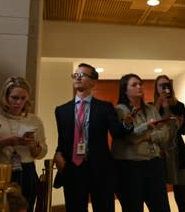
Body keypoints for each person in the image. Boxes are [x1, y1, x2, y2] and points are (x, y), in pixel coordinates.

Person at [53, 63, 133, 212]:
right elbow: (63, 141)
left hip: (101, 169)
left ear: (93, 82)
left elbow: (116, 132)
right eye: (75, 75)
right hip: (73, 170)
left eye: (82, 75)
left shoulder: (105, 107)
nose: (77, 77)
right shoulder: (61, 110)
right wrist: (58, 157)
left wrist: (127, 124)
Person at [111, 73, 170, 212]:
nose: (139, 86)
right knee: (133, 208)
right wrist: (148, 127)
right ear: (125, 90)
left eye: (140, 83)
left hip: (154, 164)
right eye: (134, 84)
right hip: (129, 167)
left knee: (162, 208)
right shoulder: (119, 110)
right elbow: (130, 137)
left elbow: (165, 133)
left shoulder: (151, 109)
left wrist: (147, 137)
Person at [0, 76, 48, 212]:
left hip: (26, 171)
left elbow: (41, 152)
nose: (19, 102)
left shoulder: (34, 120)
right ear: (5, 97)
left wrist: (34, 146)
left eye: (23, 98)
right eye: (15, 97)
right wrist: (8, 142)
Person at [154, 75, 185, 212]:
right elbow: (151, 123)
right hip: (159, 152)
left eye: (167, 84)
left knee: (181, 196)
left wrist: (181, 123)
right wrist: (160, 101)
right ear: (156, 88)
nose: (165, 87)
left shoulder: (179, 105)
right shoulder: (151, 107)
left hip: (177, 152)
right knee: (159, 196)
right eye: (161, 85)